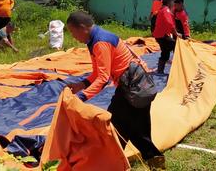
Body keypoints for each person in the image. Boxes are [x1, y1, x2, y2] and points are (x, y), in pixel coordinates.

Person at [64, 11, 164, 167]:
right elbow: (98, 72)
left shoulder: (100, 42)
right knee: (135, 128)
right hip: (136, 85)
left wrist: (81, 97)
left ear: (82, 28)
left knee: (116, 126)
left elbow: (103, 79)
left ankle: (114, 162)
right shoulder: (96, 38)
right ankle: (153, 160)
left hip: (132, 88)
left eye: (72, 32)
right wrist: (81, 85)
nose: (73, 36)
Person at [153, 0, 180, 74]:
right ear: (169, 3)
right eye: (173, 3)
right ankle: (163, 69)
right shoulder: (166, 10)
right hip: (161, 35)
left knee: (166, 51)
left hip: (161, 35)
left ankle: (161, 69)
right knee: (174, 46)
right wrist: (176, 33)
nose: (173, 5)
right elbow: (170, 24)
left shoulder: (164, 10)